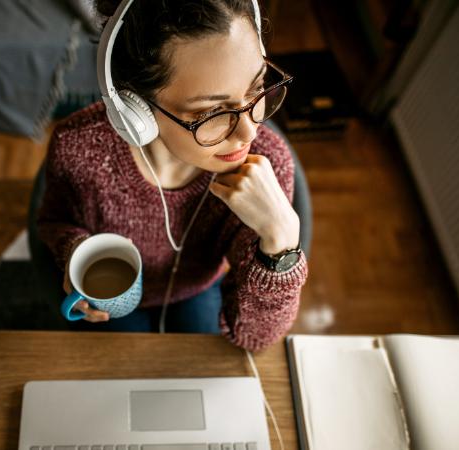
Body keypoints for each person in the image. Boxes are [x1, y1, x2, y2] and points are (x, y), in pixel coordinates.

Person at [37, 0, 308, 351]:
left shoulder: (266, 162)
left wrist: (281, 239)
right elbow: (54, 220)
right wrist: (75, 253)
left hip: (198, 288)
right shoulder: (78, 146)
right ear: (135, 111)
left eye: (256, 88)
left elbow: (254, 339)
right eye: (212, 112)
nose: (249, 134)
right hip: (113, 299)